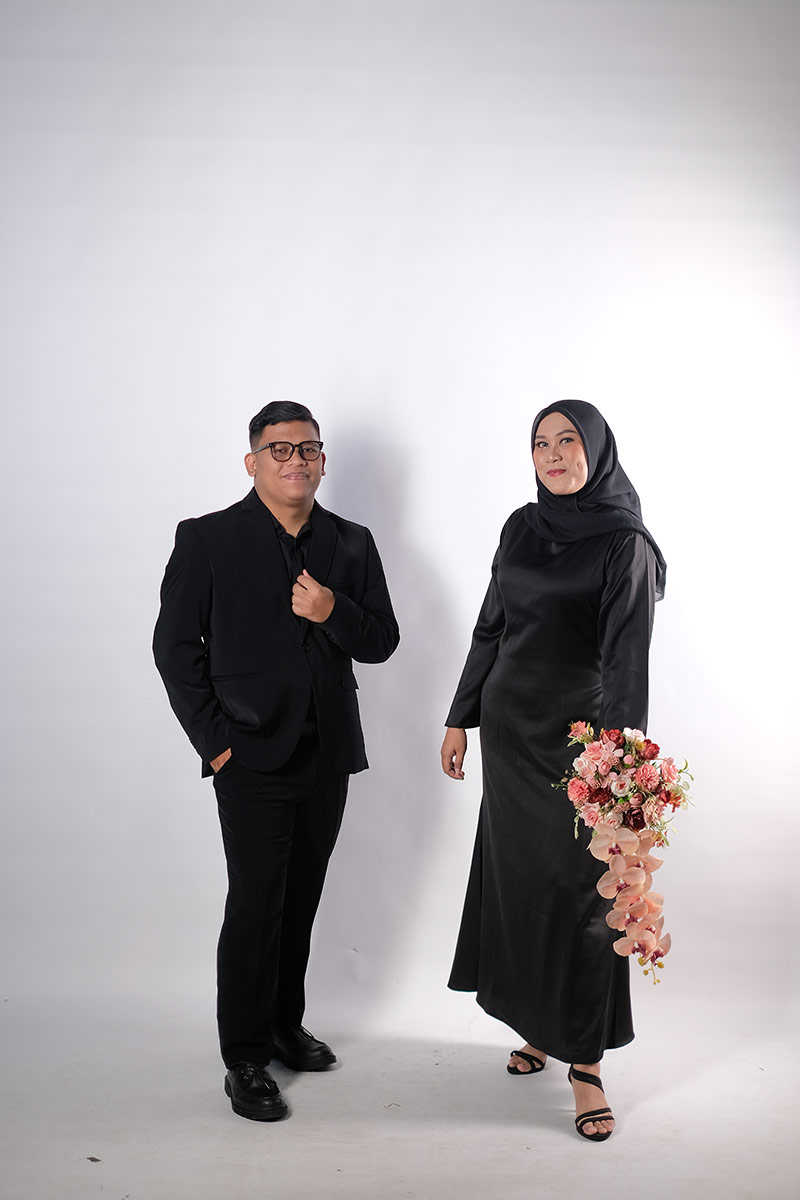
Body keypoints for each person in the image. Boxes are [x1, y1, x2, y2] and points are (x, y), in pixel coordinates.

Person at [153, 401, 399, 1121]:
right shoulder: (207, 539)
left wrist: (331, 610)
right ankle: (244, 1056)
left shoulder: (351, 542)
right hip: (250, 755)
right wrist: (218, 744)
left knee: (301, 899)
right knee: (255, 902)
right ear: (253, 461)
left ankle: (286, 1026)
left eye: (308, 449)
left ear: (322, 460)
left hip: (328, 750)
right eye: (280, 449)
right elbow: (174, 650)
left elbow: (381, 640)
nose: (297, 460)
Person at [440, 400, 666, 1142]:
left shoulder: (623, 544)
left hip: (580, 747)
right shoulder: (521, 526)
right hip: (510, 737)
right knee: (524, 887)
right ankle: (537, 1028)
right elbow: (492, 623)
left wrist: (622, 767)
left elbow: (627, 662)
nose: (554, 454)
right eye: (541, 443)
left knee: (585, 900)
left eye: (569, 440)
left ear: (597, 450)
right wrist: (459, 716)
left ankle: (586, 1064)